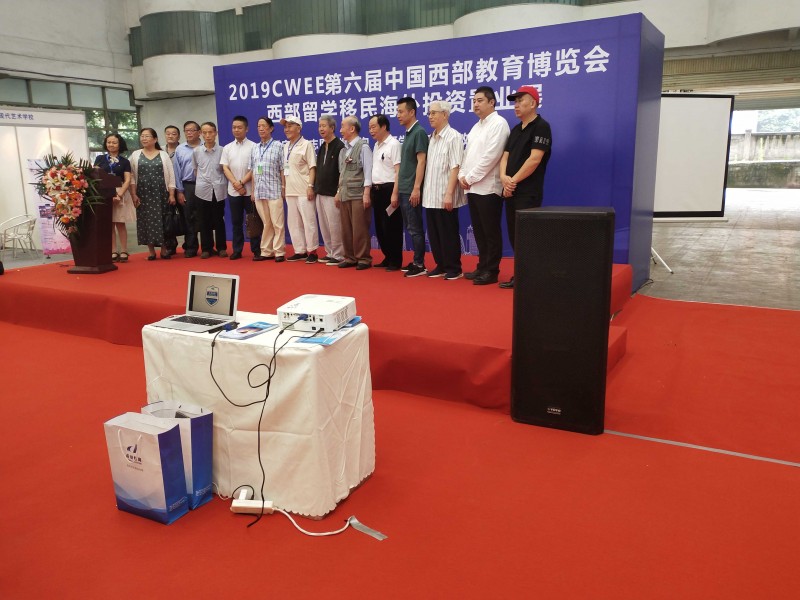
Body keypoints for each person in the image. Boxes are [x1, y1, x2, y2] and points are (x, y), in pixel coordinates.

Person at [499, 85, 552, 289]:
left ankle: (531, 278)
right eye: (515, 101)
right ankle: (522, 275)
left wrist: (512, 181)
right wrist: (503, 178)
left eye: (521, 100)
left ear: (533, 103)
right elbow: (505, 157)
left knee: (527, 237)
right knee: (515, 235)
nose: (516, 105)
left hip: (528, 192)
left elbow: (534, 159)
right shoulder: (515, 129)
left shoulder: (541, 127)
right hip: (510, 190)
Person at [458, 86, 511, 286]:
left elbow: (492, 156)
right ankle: (482, 266)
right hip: (472, 187)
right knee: (479, 230)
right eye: (474, 101)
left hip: (489, 187)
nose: (476, 104)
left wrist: (470, 177)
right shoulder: (476, 127)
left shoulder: (499, 124)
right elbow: (467, 155)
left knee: (490, 231)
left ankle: (492, 270)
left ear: (492, 102)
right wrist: (462, 175)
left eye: (480, 100)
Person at [422, 101, 465, 280]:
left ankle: (454, 268)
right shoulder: (431, 138)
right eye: (429, 113)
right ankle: (440, 264)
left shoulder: (453, 137)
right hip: (430, 195)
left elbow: (456, 166)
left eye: (434, 113)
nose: (430, 116)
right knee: (434, 234)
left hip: (445, 194)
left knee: (448, 233)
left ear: (445, 115)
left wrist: (449, 193)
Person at [129, 128, 176, 260]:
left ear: (155, 139)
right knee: (146, 221)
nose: (144, 138)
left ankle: (164, 250)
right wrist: (133, 194)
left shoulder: (163, 155)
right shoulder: (135, 155)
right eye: (142, 136)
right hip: (143, 193)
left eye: (147, 136)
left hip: (161, 192)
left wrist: (171, 194)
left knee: (163, 220)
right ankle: (151, 251)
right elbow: (131, 177)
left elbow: (171, 175)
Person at [395, 96, 429, 278]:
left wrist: (416, 188)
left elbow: (421, 161)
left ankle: (419, 264)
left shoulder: (419, 132)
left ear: (412, 112)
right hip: (404, 188)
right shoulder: (409, 133)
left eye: (401, 112)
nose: (398, 115)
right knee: (410, 227)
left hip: (411, 189)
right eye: (397, 111)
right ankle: (416, 260)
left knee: (415, 228)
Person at [335, 116, 373, 270]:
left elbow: (368, 172)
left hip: (358, 194)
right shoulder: (343, 150)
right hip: (345, 194)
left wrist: (366, 193)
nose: (340, 130)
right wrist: (338, 192)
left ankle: (363, 258)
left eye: (342, 126)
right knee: (346, 229)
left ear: (352, 129)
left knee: (359, 228)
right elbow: (341, 174)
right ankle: (350, 257)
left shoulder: (363, 147)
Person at [280, 115, 318, 263]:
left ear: (299, 128)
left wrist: (310, 186)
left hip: (304, 190)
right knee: (293, 223)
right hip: (290, 190)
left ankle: (312, 251)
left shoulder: (306, 145)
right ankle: (300, 250)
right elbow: (284, 169)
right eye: (285, 127)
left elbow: (312, 167)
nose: (286, 129)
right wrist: (284, 186)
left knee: (308, 222)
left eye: (290, 126)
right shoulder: (285, 147)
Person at [221, 115, 258, 260]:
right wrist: (236, 184)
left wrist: (242, 182)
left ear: (246, 129)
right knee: (236, 222)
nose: (236, 130)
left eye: (239, 127)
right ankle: (237, 250)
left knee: (253, 221)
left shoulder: (254, 147)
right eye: (234, 127)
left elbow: (255, 168)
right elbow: (225, 167)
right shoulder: (227, 148)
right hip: (233, 191)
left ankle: (256, 250)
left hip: (249, 191)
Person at [368, 114, 403, 271]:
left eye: (373, 127)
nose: (371, 130)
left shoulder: (393, 144)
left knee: (392, 226)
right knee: (381, 227)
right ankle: (388, 256)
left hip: (389, 190)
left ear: (383, 127)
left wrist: (395, 193)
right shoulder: (376, 145)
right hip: (377, 190)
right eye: (369, 127)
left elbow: (398, 171)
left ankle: (395, 260)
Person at [250, 117, 286, 262]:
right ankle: (266, 251)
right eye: (259, 126)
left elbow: (283, 168)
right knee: (266, 223)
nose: (261, 129)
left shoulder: (278, 146)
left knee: (277, 223)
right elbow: (253, 171)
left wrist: (283, 187)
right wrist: (253, 190)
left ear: (271, 128)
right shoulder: (255, 148)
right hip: (260, 191)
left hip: (274, 190)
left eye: (264, 126)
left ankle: (279, 252)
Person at [94, 133, 134, 263]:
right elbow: (95, 176)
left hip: (119, 192)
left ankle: (124, 250)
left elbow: (127, 180)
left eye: (114, 142)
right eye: (109, 142)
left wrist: (119, 194)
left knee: (120, 223)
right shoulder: (100, 159)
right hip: (104, 192)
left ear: (120, 144)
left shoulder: (125, 161)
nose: (111, 145)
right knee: (109, 223)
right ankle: (113, 250)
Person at [193, 121, 228, 259]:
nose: (208, 135)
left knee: (219, 219)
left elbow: (225, 169)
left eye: (210, 132)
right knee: (203, 220)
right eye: (205, 132)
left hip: (218, 189)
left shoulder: (222, 150)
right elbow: (196, 169)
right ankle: (206, 248)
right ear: (201, 134)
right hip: (202, 190)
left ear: (216, 133)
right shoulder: (196, 151)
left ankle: (221, 248)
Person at [315, 114, 345, 265]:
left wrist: (339, 191)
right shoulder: (322, 147)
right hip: (320, 192)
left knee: (335, 226)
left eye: (324, 126)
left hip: (333, 193)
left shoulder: (339, 146)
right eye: (320, 126)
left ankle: (339, 254)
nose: (321, 129)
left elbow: (342, 172)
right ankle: (330, 252)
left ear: (332, 128)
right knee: (325, 226)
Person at [173, 121, 202, 257]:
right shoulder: (180, 149)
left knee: (204, 216)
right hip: (188, 185)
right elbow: (177, 171)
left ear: (199, 132)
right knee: (188, 217)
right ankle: (191, 247)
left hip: (204, 185)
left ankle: (207, 247)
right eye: (186, 130)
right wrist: (179, 191)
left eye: (192, 130)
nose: (189, 133)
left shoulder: (205, 146)